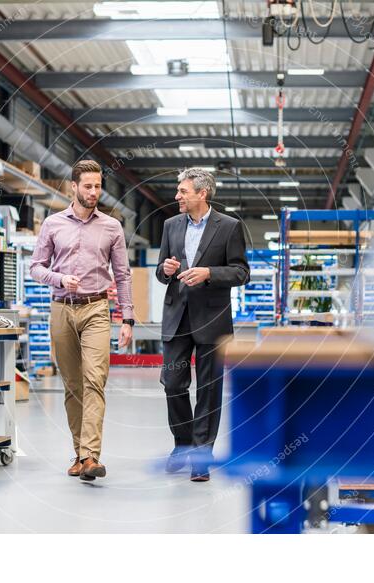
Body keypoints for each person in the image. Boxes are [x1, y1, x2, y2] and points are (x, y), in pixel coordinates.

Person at [30, 159, 134, 482]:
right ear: (73, 187)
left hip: (96, 310)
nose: (93, 192)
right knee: (73, 385)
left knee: (94, 380)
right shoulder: (52, 224)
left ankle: (91, 456)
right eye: (87, 186)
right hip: (61, 309)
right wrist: (59, 279)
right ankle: (78, 453)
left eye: (98, 186)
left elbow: (122, 275)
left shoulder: (112, 227)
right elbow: (35, 267)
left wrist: (127, 317)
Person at [156, 167, 250, 482]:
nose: (177, 196)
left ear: (202, 193)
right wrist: (166, 269)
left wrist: (209, 273)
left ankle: (201, 455)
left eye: (182, 191)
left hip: (212, 318)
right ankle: (182, 446)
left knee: (208, 390)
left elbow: (240, 272)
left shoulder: (230, 227)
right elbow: (160, 272)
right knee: (173, 385)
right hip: (176, 316)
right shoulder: (170, 226)